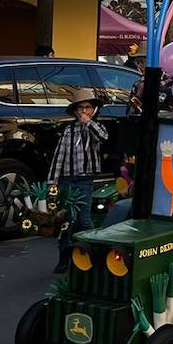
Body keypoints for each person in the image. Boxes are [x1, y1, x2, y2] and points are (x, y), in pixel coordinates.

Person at [49, 90, 109, 273]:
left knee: (84, 218)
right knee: (67, 220)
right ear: (75, 111)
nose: (84, 111)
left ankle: (91, 254)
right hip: (67, 179)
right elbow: (58, 156)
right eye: (80, 108)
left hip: (85, 180)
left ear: (93, 110)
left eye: (88, 107)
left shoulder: (96, 127)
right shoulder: (68, 130)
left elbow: (103, 138)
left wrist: (88, 123)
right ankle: (64, 256)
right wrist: (52, 181)